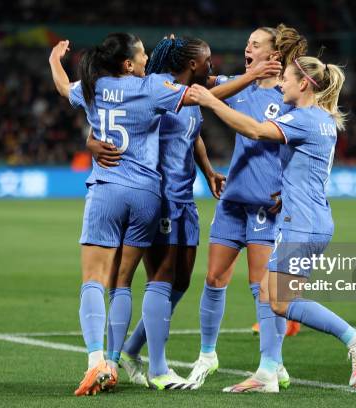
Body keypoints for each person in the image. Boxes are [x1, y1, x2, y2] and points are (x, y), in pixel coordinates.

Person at [85, 36, 282, 390]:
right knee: (159, 279)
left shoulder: (186, 96)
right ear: (192, 64)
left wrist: (207, 172)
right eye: (207, 61)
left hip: (184, 202)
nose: (212, 66)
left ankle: (129, 350)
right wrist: (91, 140)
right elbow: (117, 121)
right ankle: (151, 366)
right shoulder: (161, 92)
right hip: (159, 198)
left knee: (181, 282)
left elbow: (193, 134)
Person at [188, 55, 356, 392]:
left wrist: (208, 101)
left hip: (303, 224)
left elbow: (255, 130)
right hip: (308, 218)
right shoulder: (322, 119)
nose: (281, 85)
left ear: (304, 83)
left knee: (278, 299)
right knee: (268, 293)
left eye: (287, 80)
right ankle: (266, 373)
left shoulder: (304, 118)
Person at [49, 33, 199, 395]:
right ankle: (114, 361)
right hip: (147, 194)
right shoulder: (150, 88)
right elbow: (193, 100)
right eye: (142, 53)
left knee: (94, 279)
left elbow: (61, 87)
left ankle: (96, 362)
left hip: (107, 190)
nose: (146, 58)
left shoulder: (92, 86)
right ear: (128, 63)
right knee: (122, 283)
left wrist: (55, 59)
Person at [187, 24, 307, 389]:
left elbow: (304, 152)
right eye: (246, 43)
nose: (247, 48)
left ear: (274, 55)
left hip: (264, 205)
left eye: (255, 44)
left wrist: (292, 191)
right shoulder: (238, 86)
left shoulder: (289, 100)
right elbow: (200, 95)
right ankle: (208, 354)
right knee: (213, 278)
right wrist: (250, 75)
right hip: (232, 200)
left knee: (262, 288)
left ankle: (271, 365)